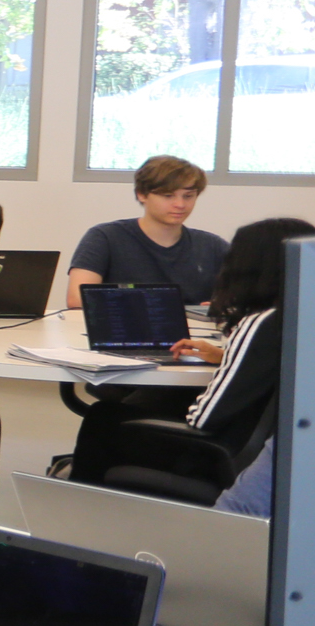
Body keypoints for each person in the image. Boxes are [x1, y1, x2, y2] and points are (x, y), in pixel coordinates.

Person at [70, 215, 312, 483]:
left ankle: (81, 502)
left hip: (220, 455)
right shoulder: (301, 314)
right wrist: (226, 356)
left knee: (103, 417)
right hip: (283, 450)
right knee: (156, 401)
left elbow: (204, 418)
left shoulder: (263, 322)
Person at [69, 155, 228, 310]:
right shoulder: (104, 237)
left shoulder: (213, 246)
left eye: (188, 196)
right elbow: (77, 299)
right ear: (142, 194)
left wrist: (228, 306)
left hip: (196, 333)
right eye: (168, 196)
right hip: (126, 330)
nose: (180, 204)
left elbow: (247, 296)